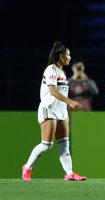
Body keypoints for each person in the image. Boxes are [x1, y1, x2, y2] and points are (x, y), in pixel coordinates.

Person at [21, 41, 86, 181]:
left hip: (61, 112)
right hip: (48, 110)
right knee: (46, 145)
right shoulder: (50, 69)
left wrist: (65, 111)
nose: (69, 57)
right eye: (68, 55)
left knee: (64, 144)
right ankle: (27, 167)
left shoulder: (62, 72)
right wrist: (70, 102)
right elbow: (53, 91)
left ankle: (69, 173)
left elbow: (61, 93)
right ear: (61, 56)